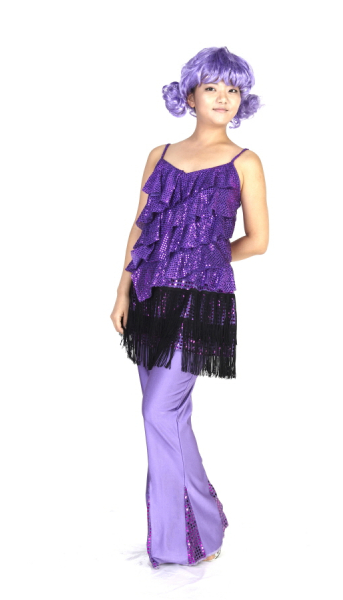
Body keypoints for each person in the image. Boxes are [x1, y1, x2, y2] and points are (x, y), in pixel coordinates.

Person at [110, 46, 269, 568]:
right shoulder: (159, 155)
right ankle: (202, 526)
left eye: (233, 89)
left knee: (158, 410)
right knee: (170, 417)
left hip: (200, 302)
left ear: (241, 100)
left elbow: (259, 240)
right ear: (191, 96)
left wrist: (201, 257)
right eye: (212, 88)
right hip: (149, 296)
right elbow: (141, 227)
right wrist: (122, 290)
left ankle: (179, 541)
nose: (223, 97)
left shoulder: (245, 162)